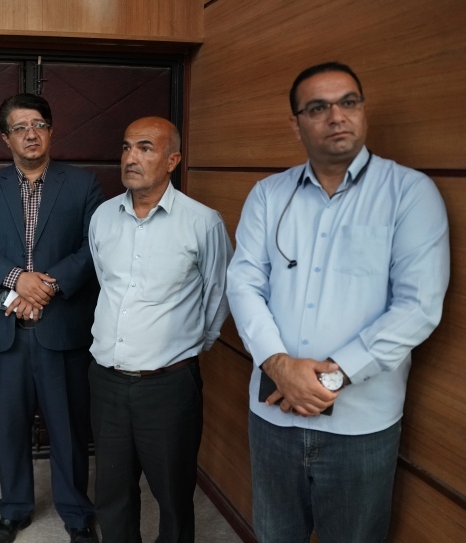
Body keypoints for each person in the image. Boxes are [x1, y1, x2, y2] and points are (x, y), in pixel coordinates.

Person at [226, 62, 450, 543]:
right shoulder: (269, 194)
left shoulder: (408, 193)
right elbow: (244, 283)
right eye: (318, 108)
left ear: (363, 111)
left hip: (361, 425)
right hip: (273, 415)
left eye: (348, 102)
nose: (336, 116)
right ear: (296, 124)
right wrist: (279, 365)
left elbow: (419, 306)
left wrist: (328, 378)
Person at [0, 94, 103, 543]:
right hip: (7, 331)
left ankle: (76, 513)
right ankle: (14, 509)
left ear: (51, 131)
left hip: (63, 328)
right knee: (10, 427)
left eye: (39, 124)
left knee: (69, 428)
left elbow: (94, 247)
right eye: (20, 127)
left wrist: (47, 286)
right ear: (6, 138)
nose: (31, 134)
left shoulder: (83, 185)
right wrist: (18, 279)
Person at [88, 116, 232, 543]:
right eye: (126, 147)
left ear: (173, 160)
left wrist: (187, 348)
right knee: (111, 492)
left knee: (173, 496)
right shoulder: (102, 217)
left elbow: (219, 295)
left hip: (168, 386)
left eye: (145, 148)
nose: (131, 157)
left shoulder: (202, 222)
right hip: (107, 381)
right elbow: (105, 282)